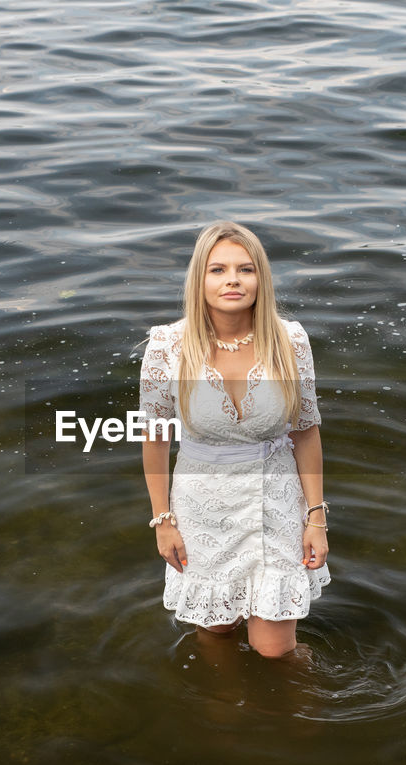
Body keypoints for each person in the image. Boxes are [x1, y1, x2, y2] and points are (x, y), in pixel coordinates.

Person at [139, 221, 329, 659]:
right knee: (217, 632)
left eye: (245, 269)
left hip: (276, 499)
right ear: (199, 280)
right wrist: (162, 520)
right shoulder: (168, 344)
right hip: (202, 505)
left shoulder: (290, 340)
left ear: (260, 278)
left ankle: (293, 720)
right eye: (218, 269)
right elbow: (154, 437)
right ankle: (225, 716)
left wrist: (315, 518)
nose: (232, 280)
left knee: (274, 649)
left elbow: (305, 430)